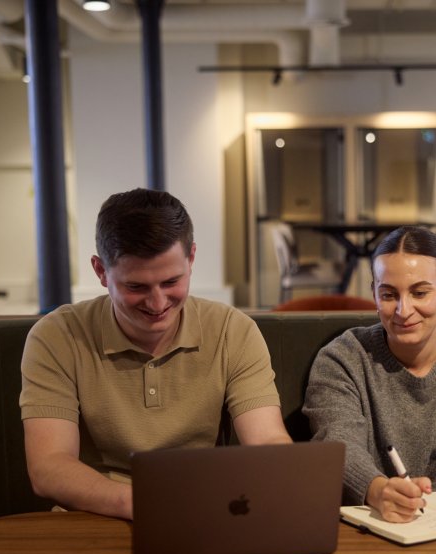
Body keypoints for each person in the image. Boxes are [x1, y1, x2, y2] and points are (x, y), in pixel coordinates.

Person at [20, 188, 291, 520]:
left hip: (205, 511)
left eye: (171, 281)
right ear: (101, 271)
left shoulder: (233, 330)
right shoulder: (57, 336)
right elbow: (49, 466)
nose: (158, 303)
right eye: (136, 287)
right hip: (93, 515)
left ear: (191, 259)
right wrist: (140, 503)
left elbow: (265, 439)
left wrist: (282, 478)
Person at [303, 226, 436, 523]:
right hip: (359, 531)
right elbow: (336, 443)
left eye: (420, 293)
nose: (403, 310)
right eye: (388, 294)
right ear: (373, 292)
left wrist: (412, 506)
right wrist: (377, 490)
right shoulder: (343, 358)